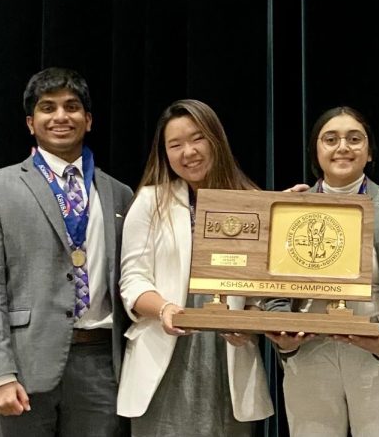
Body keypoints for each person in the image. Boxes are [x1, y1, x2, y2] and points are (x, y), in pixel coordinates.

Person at [0, 67, 133, 437]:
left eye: (72, 107)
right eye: (47, 107)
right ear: (30, 122)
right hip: (22, 365)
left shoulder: (120, 194)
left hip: (101, 366)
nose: (60, 117)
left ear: (87, 120)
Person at [116, 99, 273, 436]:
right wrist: (164, 309)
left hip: (227, 355)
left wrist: (249, 321)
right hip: (165, 350)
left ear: (216, 140)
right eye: (176, 145)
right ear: (165, 153)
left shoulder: (251, 200)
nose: (188, 151)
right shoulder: (149, 201)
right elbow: (132, 280)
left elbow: (263, 286)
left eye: (197, 138)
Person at [267, 107, 379, 437]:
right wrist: (285, 339)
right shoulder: (290, 207)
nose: (343, 147)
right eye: (330, 139)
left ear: (369, 153)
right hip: (310, 358)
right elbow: (274, 293)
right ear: (315, 150)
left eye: (354, 139)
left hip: (378, 358)